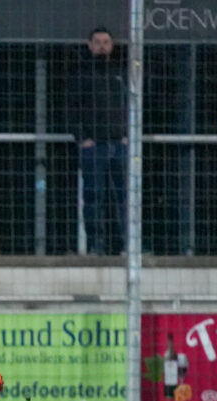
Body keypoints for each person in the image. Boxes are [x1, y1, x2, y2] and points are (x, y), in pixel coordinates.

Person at [71, 26, 127, 256]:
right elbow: (71, 108)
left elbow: (132, 105)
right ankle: (96, 245)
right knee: (94, 197)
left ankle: (127, 245)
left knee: (125, 198)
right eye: (98, 42)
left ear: (112, 45)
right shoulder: (81, 74)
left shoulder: (121, 73)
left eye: (106, 41)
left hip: (120, 144)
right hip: (94, 146)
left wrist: (126, 136)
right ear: (90, 45)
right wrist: (82, 138)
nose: (102, 45)